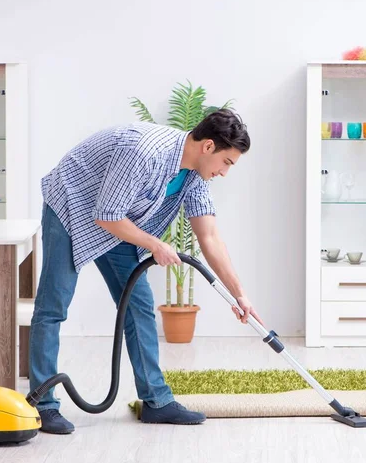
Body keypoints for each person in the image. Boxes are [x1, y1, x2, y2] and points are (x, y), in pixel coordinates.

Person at [30, 109, 264, 433]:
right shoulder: (145, 151)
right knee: (53, 305)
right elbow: (106, 214)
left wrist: (240, 295)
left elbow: (209, 236)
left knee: (138, 303)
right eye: (227, 162)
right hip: (72, 207)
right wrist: (155, 244)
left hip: (117, 221)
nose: (225, 172)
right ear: (208, 147)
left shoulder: (194, 176)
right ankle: (43, 404)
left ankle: (156, 401)